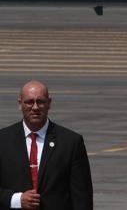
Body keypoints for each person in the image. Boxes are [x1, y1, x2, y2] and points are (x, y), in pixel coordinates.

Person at [0, 80, 93, 210]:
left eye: (40, 101)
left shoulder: (71, 142)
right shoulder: (3, 140)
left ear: (49, 103)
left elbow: (82, 196)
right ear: (20, 104)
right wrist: (16, 200)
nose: (35, 107)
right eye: (29, 102)